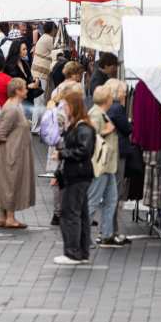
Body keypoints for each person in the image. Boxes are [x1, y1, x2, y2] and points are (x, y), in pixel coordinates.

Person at [52, 85, 96, 265]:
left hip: (78, 174)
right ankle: (81, 252)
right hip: (79, 173)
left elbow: (83, 150)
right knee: (81, 214)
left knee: (70, 213)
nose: (64, 109)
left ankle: (73, 252)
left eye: (67, 106)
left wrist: (62, 154)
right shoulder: (79, 126)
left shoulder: (82, 127)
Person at [0, 78, 36, 229]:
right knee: (11, 182)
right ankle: (9, 218)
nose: (26, 90)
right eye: (24, 88)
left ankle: (3, 216)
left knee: (7, 182)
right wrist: (4, 144)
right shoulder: (12, 108)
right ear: (17, 90)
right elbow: (2, 131)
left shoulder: (15, 106)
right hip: (12, 151)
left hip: (14, 149)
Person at [85, 85, 123, 248]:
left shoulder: (100, 113)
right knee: (93, 200)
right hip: (100, 164)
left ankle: (107, 234)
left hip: (107, 165)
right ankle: (83, 236)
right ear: (107, 99)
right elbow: (90, 135)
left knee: (111, 199)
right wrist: (106, 131)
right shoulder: (96, 113)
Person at [103, 78, 133, 244]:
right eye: (123, 91)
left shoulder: (108, 108)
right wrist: (131, 122)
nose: (125, 94)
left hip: (112, 152)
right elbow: (127, 129)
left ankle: (111, 229)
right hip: (117, 152)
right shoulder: (117, 108)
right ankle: (110, 230)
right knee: (114, 192)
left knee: (112, 191)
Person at [4, 39, 43, 121]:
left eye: (26, 49)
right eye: (23, 49)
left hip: (27, 97)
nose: (26, 51)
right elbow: (10, 84)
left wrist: (35, 80)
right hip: (17, 100)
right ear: (17, 51)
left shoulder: (24, 62)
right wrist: (27, 86)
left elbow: (29, 77)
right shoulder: (8, 66)